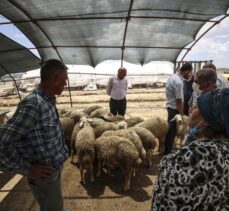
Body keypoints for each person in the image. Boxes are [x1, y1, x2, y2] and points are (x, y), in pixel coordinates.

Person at [0, 59, 69, 211]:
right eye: (64, 81)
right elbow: (2, 141)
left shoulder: (48, 100)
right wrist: (26, 168)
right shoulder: (33, 105)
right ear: (56, 79)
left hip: (53, 170)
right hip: (44, 176)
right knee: (52, 207)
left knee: (55, 203)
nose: (65, 85)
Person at [151, 88, 229, 211]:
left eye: (198, 107)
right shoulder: (224, 150)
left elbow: (167, 204)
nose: (191, 109)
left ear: (208, 120)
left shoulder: (196, 157)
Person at [163, 63, 193, 155]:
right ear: (187, 71)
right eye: (190, 72)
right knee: (172, 130)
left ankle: (167, 149)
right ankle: (168, 151)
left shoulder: (172, 77)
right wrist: (182, 113)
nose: (190, 75)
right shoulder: (179, 82)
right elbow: (179, 100)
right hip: (175, 109)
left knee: (170, 129)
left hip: (170, 106)